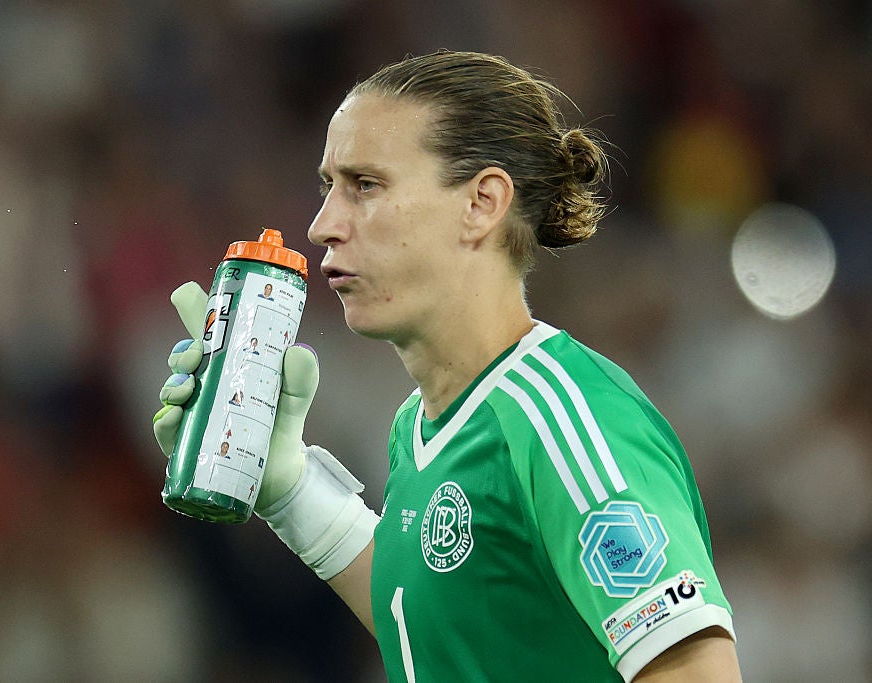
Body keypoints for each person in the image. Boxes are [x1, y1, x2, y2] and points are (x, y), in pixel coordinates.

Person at [154, 50, 740, 682]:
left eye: (365, 185)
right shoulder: (419, 426)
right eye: (328, 188)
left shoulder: (565, 419)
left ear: (481, 204)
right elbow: (447, 631)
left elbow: (697, 672)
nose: (322, 226)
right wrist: (290, 490)